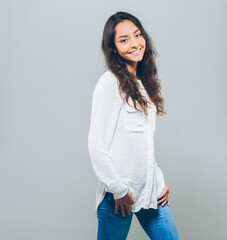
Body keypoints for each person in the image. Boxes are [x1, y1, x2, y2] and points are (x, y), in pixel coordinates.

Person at [88, 11, 180, 240]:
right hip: (118, 197)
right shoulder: (110, 83)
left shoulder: (144, 84)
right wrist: (118, 190)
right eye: (123, 39)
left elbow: (144, 143)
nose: (134, 43)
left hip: (150, 192)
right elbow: (96, 145)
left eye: (137, 35)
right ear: (113, 48)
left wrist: (158, 179)